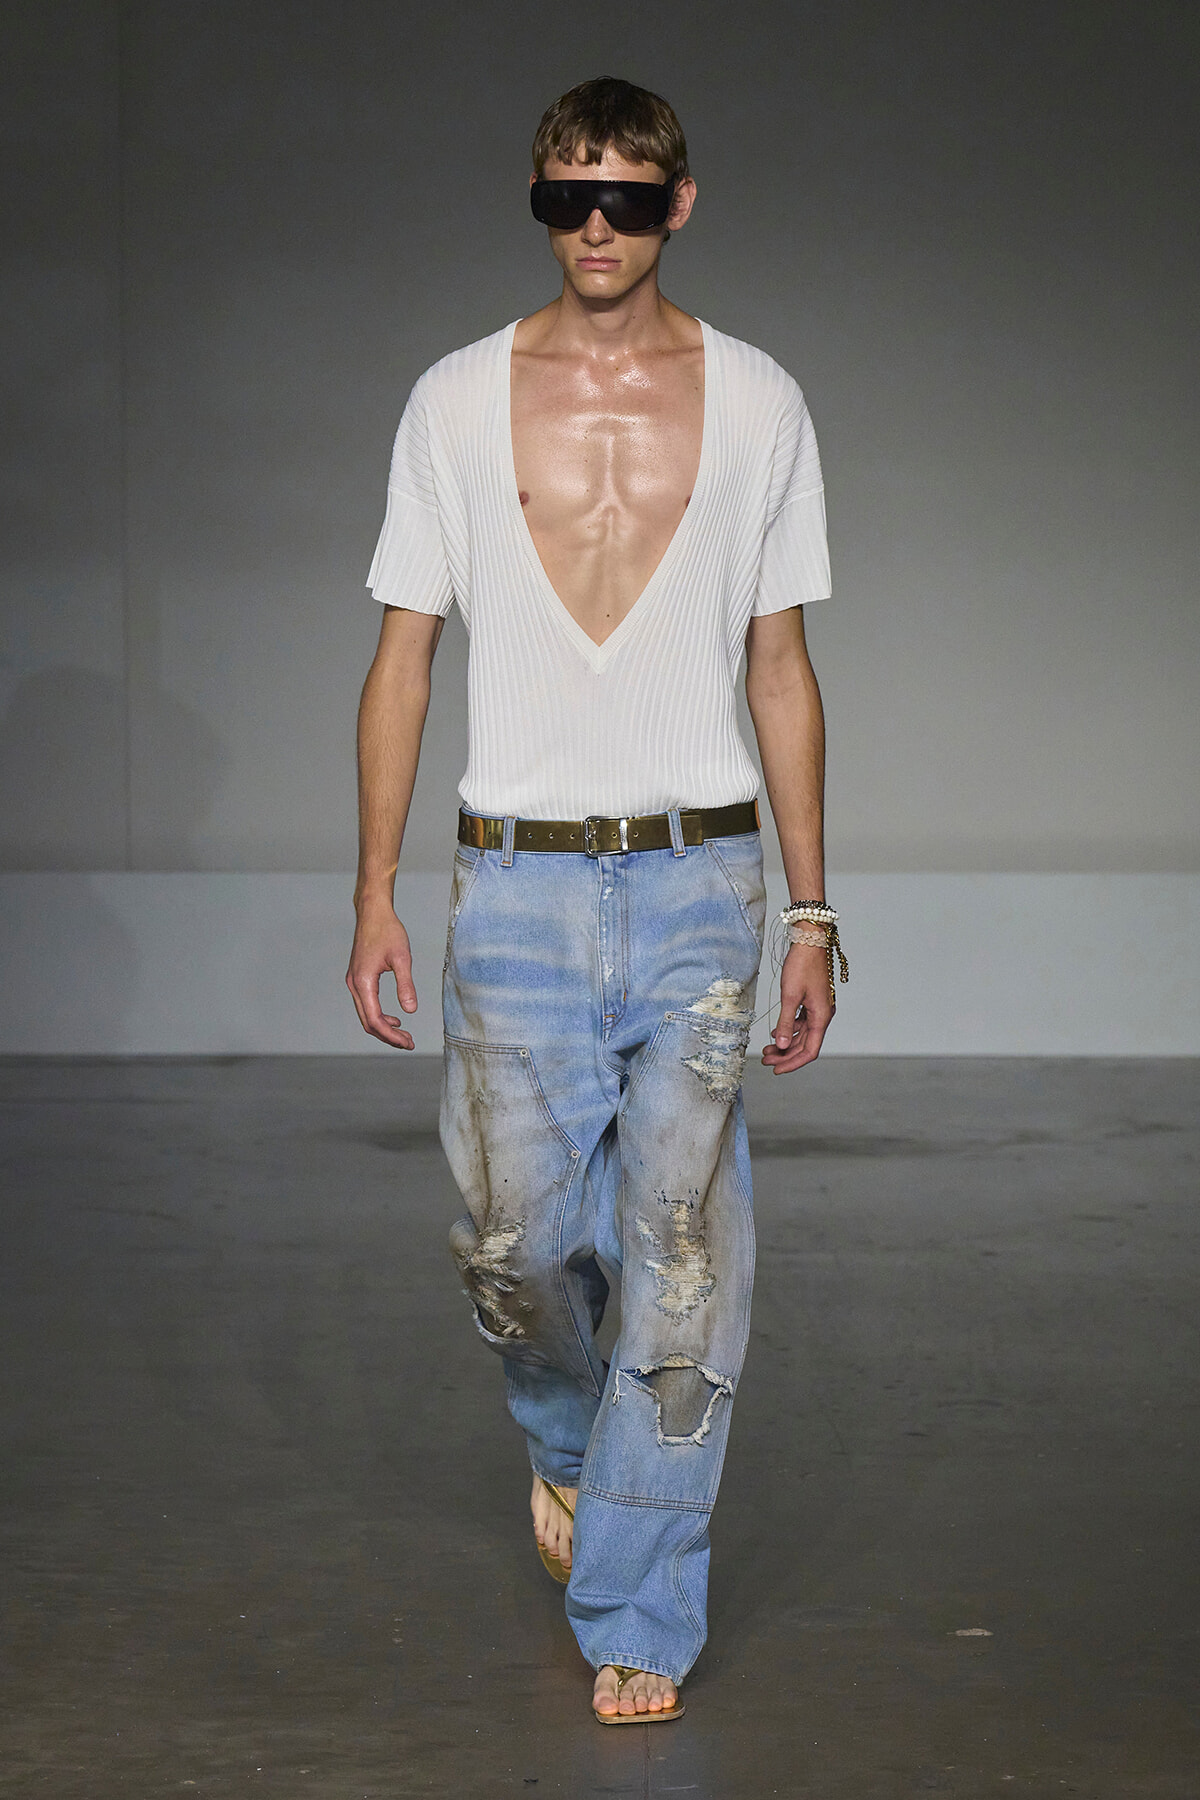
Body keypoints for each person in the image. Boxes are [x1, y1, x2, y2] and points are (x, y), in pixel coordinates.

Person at [347, 76, 843, 1724]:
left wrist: (815, 913)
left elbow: (783, 664)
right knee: (516, 1248)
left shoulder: (762, 399)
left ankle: (639, 1609)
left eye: (628, 198)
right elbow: (404, 652)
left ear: (682, 203)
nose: (600, 229)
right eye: (570, 199)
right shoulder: (452, 402)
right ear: (541, 206)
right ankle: (571, 1443)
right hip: (518, 889)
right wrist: (374, 890)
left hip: (705, 879)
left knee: (685, 1258)